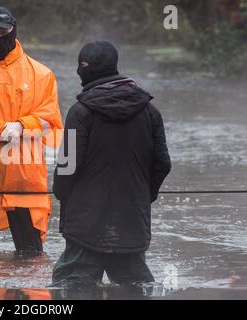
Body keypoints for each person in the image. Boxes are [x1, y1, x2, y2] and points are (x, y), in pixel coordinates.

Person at [52, 41, 171, 286]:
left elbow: (67, 165)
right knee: (136, 287)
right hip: (132, 221)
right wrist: (142, 195)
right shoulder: (150, 112)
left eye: (80, 66)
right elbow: (163, 164)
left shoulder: (80, 112)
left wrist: (62, 195)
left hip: (85, 224)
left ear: (85, 69)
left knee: (70, 287)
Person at [0, 7, 63, 258]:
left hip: (24, 170)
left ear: (13, 31)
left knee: (32, 255)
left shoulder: (41, 73)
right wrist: (1, 128)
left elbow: (50, 118)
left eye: (2, 32)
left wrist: (22, 125)